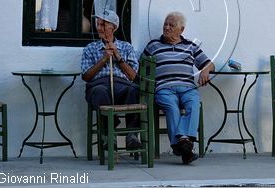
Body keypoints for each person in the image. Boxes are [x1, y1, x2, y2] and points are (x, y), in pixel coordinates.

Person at [143, 12, 215, 164]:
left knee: (193, 104)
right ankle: (185, 143)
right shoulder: (153, 45)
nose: (167, 27)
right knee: (171, 107)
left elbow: (210, 63)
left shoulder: (190, 46)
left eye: (171, 25)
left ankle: (181, 144)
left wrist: (205, 70)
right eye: (165, 24)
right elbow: (141, 68)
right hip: (164, 88)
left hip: (187, 87)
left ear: (181, 30)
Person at [81, 9, 141, 149]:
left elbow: (133, 76)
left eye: (103, 24)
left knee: (134, 90)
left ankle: (131, 135)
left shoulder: (126, 47)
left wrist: (118, 56)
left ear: (113, 27)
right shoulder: (90, 48)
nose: (99, 27)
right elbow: (86, 76)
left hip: (121, 87)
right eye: (98, 24)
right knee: (100, 91)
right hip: (98, 86)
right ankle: (109, 134)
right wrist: (103, 59)